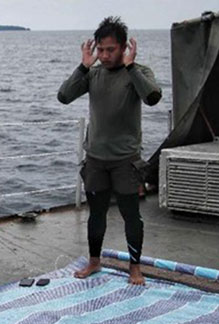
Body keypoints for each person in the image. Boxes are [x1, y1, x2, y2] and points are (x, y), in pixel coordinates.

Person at [57, 16, 162, 285]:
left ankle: (135, 267)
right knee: (97, 214)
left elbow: (152, 97)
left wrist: (131, 67)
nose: (104, 55)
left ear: (124, 47)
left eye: (110, 50)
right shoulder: (93, 74)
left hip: (125, 161)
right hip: (95, 160)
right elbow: (64, 96)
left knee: (131, 216)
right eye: (100, 50)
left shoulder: (139, 72)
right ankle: (94, 261)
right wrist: (83, 65)